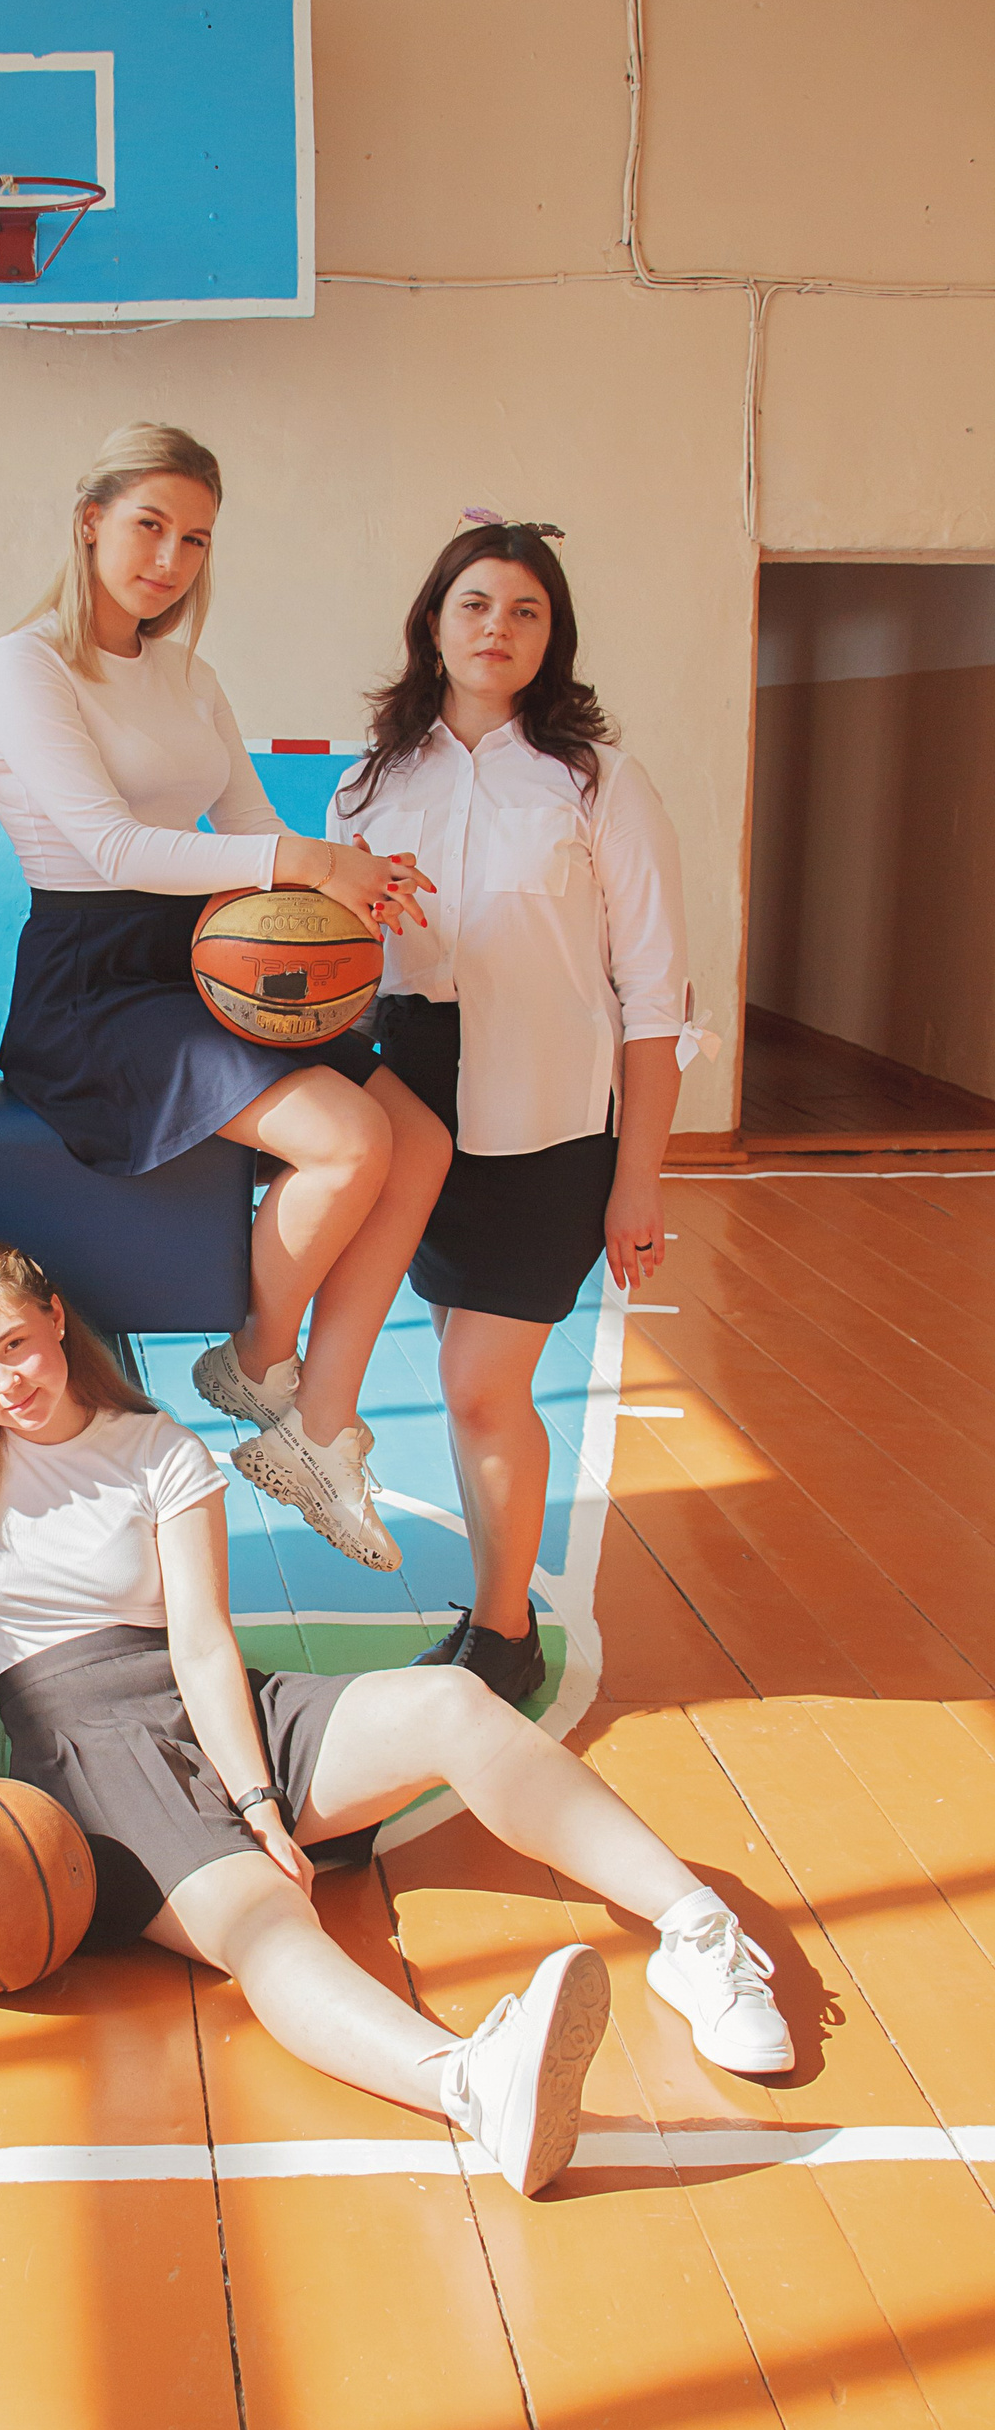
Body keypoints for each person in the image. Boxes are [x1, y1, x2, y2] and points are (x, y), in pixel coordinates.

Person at [0, 1240, 792, 2198]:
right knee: (266, 1918)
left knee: (453, 1701)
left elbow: (202, 1645)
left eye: (14, 1346)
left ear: (54, 1315)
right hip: (94, 1756)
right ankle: (473, 2084)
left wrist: (256, 1798)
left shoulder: (157, 1448)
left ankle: (698, 1933)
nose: (2, 1384)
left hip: (213, 1704)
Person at [0, 421, 450, 1571]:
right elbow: (109, 845)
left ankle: (317, 1425)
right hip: (93, 984)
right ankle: (254, 1359)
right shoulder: (24, 665)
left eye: (194, 539)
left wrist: (353, 881)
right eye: (149, 526)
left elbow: (249, 830)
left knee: (419, 1139)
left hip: (207, 957)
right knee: (346, 1140)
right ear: (89, 523)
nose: (170, 558)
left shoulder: (194, 677)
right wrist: (304, 863)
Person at [331, 519, 692, 1700]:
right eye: (476, 605)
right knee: (467, 1378)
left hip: (552, 1123)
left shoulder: (600, 782)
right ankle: (498, 1616)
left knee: (482, 1383)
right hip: (418, 1114)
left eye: (526, 611)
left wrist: (639, 1179)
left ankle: (502, 1635)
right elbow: (344, 969)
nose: (498, 628)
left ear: (553, 637)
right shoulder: (368, 783)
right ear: (434, 625)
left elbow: (656, 994)